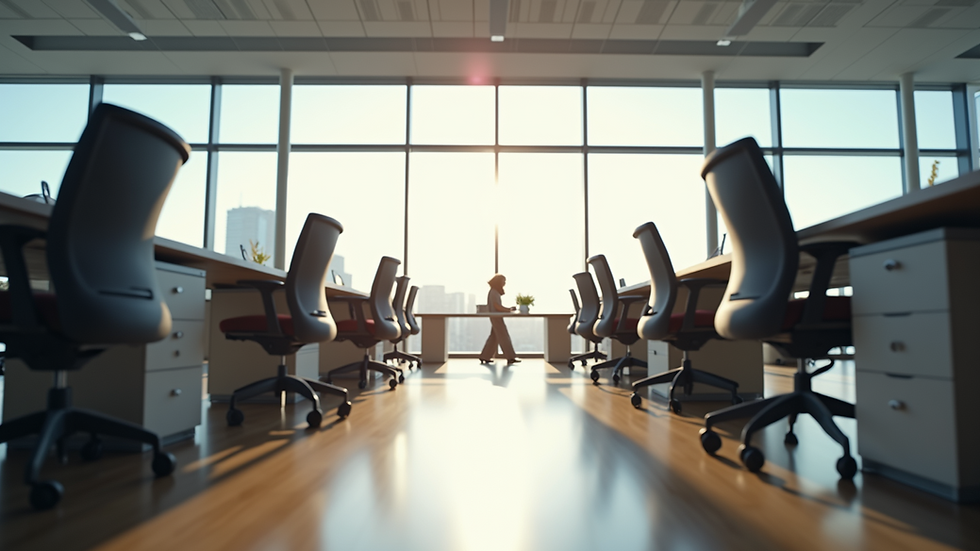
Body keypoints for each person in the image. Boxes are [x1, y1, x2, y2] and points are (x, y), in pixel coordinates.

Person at [479, 273, 520, 364]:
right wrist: (508, 310)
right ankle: (510, 357)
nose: (504, 283)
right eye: (503, 281)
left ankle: (484, 356)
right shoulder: (494, 292)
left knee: (494, 337)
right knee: (504, 336)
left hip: (496, 317)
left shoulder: (494, 292)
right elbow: (497, 306)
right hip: (496, 317)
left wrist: (507, 309)